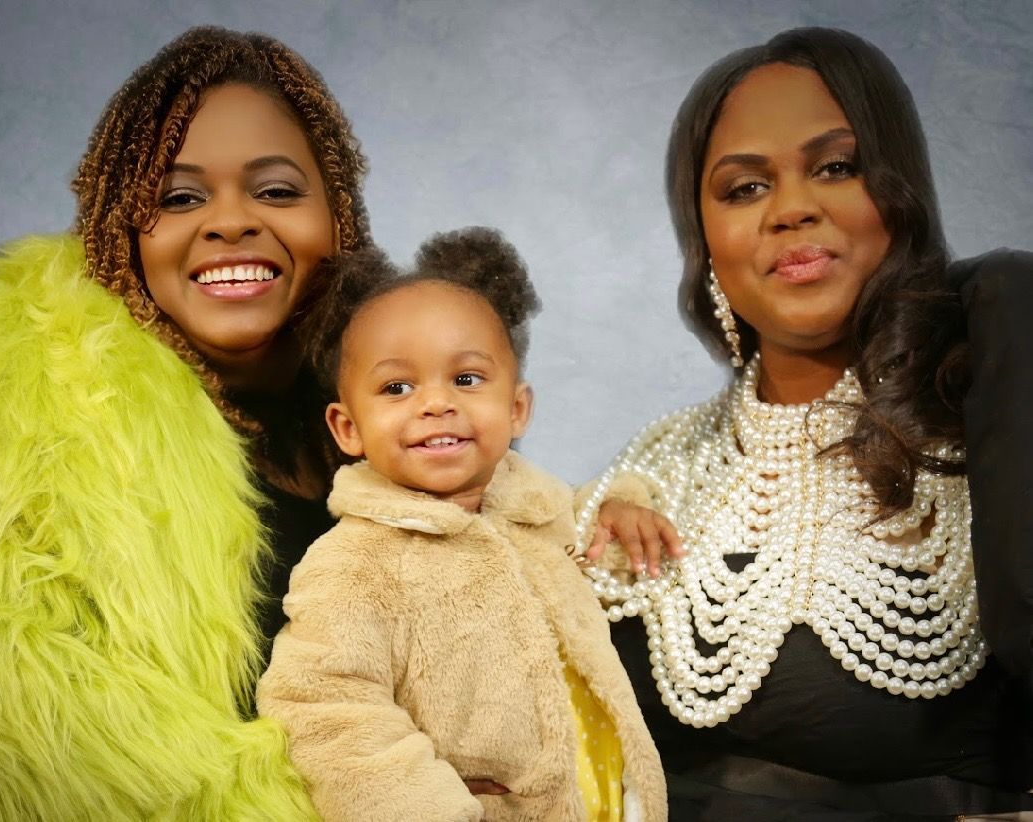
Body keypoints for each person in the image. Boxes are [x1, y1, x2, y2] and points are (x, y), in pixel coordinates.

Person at [0, 27, 370, 819]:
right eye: (178, 197)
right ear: (118, 227)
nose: (230, 222)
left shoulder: (394, 397)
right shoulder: (2, 418)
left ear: (339, 218)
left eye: (275, 190)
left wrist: (620, 511)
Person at [579, 26, 1033, 821]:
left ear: (898, 194)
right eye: (743, 188)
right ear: (704, 242)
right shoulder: (655, 461)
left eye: (835, 167)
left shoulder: (985, 416)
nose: (790, 209)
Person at [256, 227, 670, 822]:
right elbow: (325, 709)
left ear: (516, 407)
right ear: (347, 428)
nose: (435, 403)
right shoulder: (355, 563)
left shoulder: (536, 508)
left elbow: (596, 556)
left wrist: (620, 507)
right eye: (397, 387)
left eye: (467, 379)